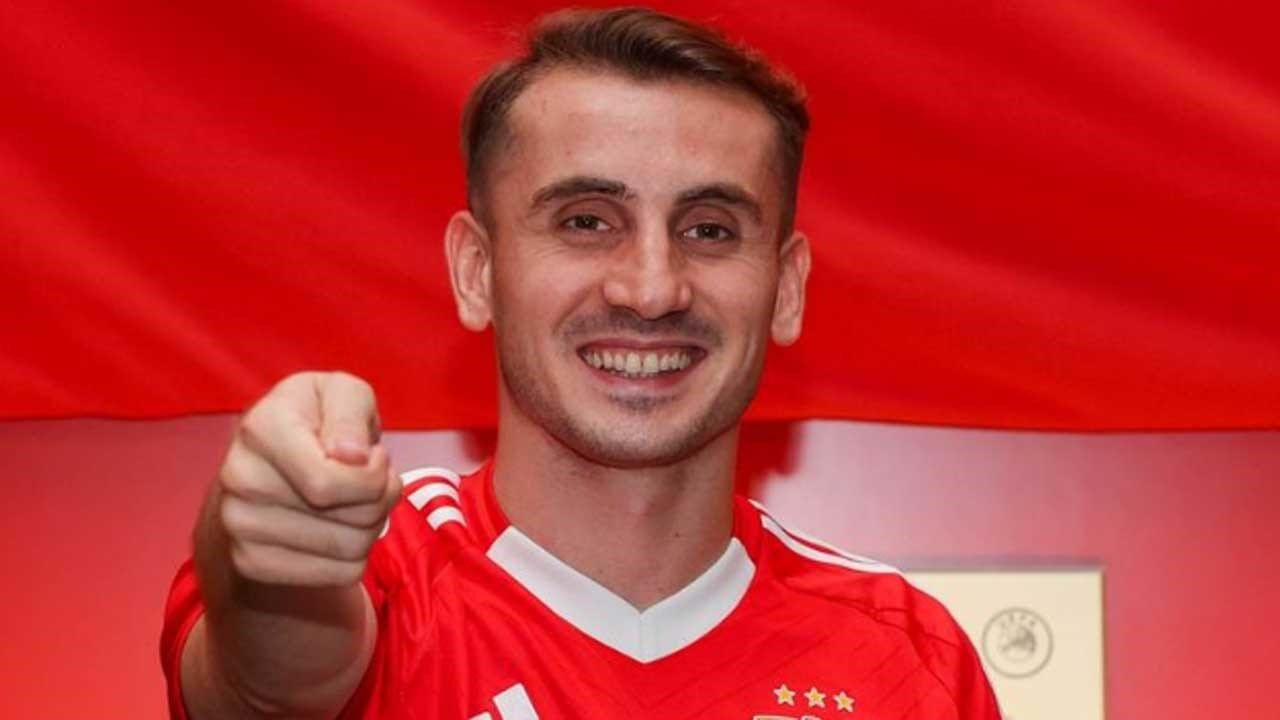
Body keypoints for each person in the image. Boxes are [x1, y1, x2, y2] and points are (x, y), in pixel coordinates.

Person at [161, 7, 1001, 719]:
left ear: (784, 290)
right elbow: (267, 680)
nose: (651, 288)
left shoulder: (908, 658)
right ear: (477, 271)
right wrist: (268, 546)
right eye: (586, 221)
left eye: (709, 229)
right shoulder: (376, 575)